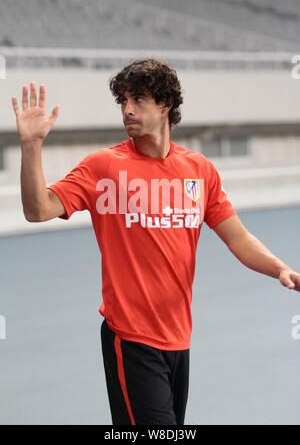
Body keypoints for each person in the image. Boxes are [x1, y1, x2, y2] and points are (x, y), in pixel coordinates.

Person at [11, 58, 300, 425]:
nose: (127, 110)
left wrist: (281, 269)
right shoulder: (105, 167)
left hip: (178, 339)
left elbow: (238, 238)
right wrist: (31, 147)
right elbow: (37, 210)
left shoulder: (198, 171)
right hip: (131, 338)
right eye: (123, 101)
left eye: (139, 99)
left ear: (166, 105)